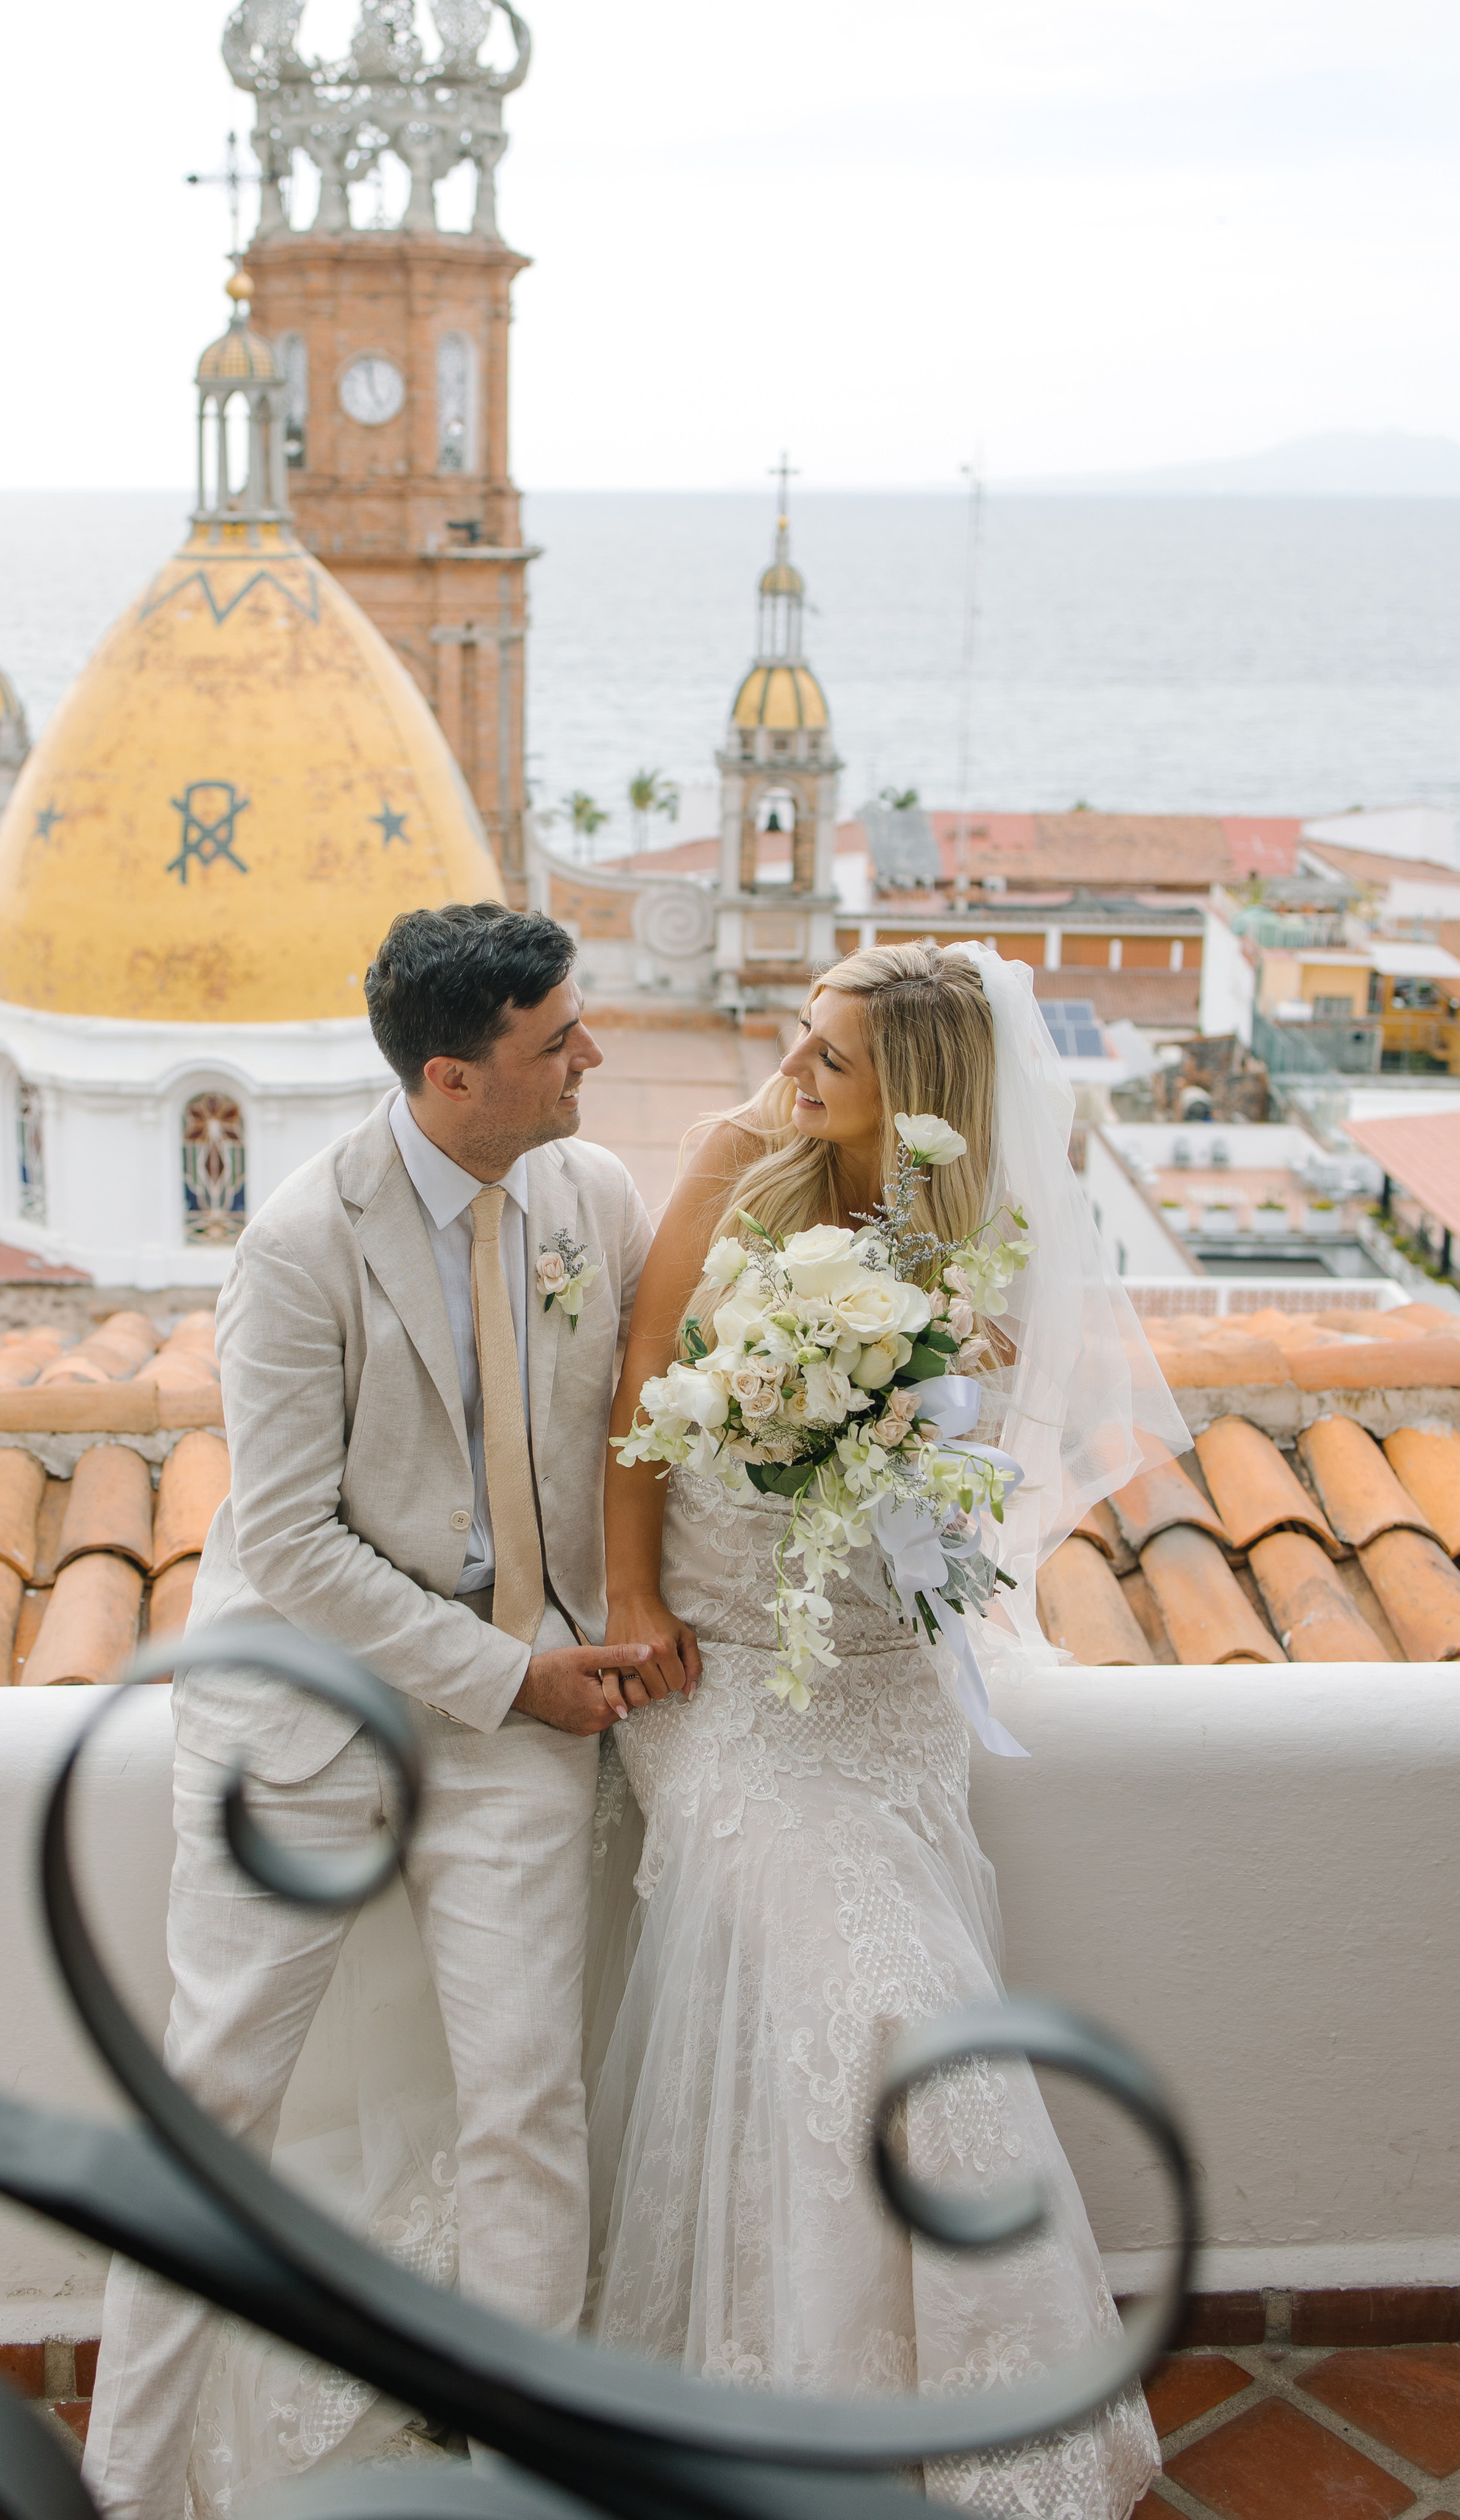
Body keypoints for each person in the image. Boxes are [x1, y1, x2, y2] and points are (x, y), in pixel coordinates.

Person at [588, 941, 1180, 2519]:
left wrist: (903, 1421)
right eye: (797, 1036)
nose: (792, 1070)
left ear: (913, 1098)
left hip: (875, 1685)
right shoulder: (735, 1163)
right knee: (876, 2004)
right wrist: (636, 1602)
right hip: (718, 1674)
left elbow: (984, 1476)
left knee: (901, 2007)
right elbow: (640, 1392)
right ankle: (795, 2388)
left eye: (828, 1058)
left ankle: (961, 2415)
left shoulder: (975, 1234)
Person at [82, 901, 655, 2520]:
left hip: (512, 1724)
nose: (590, 1060)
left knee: (528, 2099)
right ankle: (121, 2492)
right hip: (311, 1720)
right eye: (558, 1042)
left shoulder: (589, 1194)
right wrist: (507, 1674)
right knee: (211, 2105)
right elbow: (287, 1542)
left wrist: (590, 1644)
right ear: (453, 1076)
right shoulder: (293, 1244)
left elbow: (625, 1434)